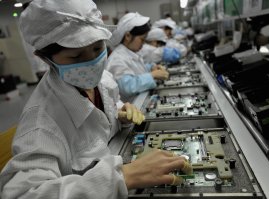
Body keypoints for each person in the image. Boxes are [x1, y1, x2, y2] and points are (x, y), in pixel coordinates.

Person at [0, 1, 192, 199]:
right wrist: (119, 178)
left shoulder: (102, 79)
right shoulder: (40, 123)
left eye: (98, 48)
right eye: (76, 56)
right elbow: (22, 194)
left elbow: (100, 121)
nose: (92, 62)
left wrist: (119, 114)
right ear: (44, 58)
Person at [106, 12, 169, 103]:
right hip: (130, 107)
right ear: (128, 36)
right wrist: (152, 75)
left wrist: (151, 67)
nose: (143, 44)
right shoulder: (117, 59)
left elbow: (135, 70)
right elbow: (127, 86)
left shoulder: (130, 52)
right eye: (142, 39)